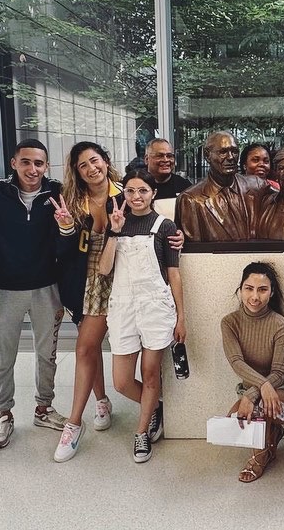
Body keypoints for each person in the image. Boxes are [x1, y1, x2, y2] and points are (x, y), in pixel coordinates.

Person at [98, 169, 186, 463]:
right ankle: (156, 406)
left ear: (153, 193)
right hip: (122, 306)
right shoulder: (116, 222)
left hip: (155, 306)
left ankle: (141, 433)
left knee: (150, 374)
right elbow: (104, 269)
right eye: (131, 191)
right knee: (122, 381)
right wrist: (113, 231)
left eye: (143, 191)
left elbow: (174, 273)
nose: (136, 197)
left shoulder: (165, 225)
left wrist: (181, 317)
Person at [0, 139, 66, 451]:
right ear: (13, 163)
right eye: (27, 162)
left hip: (47, 287)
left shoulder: (56, 192)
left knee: (47, 354)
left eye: (39, 163)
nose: (33, 169)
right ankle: (4, 414)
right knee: (4, 357)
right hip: (6, 287)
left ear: (46, 166)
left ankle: (43, 408)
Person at [51, 141, 122, 462]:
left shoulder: (125, 192)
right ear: (77, 172)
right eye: (83, 165)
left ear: (106, 161)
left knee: (90, 346)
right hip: (87, 281)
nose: (91, 168)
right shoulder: (73, 203)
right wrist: (66, 226)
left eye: (95, 161)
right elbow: (63, 252)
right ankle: (84, 415)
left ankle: (86, 414)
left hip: (123, 278)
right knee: (87, 347)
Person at [221, 262, 284, 482]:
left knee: (259, 408)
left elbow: (278, 371)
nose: (254, 296)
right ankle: (272, 434)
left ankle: (258, 458)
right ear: (240, 289)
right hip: (256, 392)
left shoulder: (280, 324)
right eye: (249, 288)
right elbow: (236, 362)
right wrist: (260, 387)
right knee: (233, 422)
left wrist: (253, 393)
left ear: (272, 292)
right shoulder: (229, 322)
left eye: (262, 289)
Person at [175, 131, 271, 241]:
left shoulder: (256, 185)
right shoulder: (190, 199)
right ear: (207, 155)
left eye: (234, 151)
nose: (230, 157)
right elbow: (191, 250)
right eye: (223, 152)